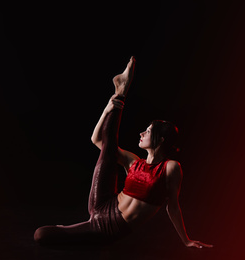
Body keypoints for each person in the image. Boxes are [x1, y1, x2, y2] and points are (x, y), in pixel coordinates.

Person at [34, 57, 213, 249]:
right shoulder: (134, 162)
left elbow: (173, 206)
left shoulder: (170, 168)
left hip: (107, 229)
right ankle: (120, 92)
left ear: (161, 140)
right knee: (109, 148)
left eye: (148, 132)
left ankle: (121, 90)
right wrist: (107, 109)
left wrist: (186, 240)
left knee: (41, 234)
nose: (141, 133)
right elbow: (97, 141)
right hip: (102, 203)